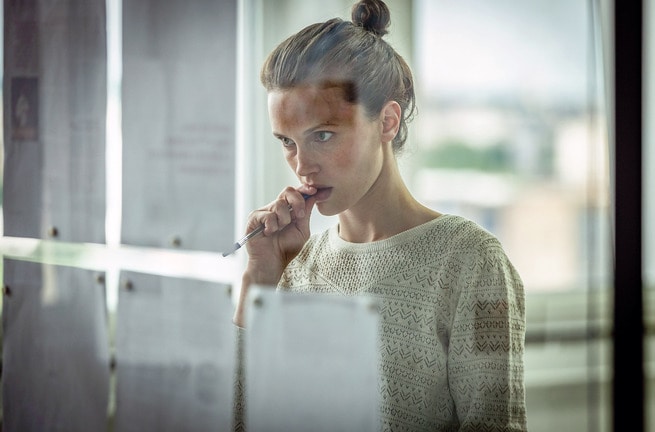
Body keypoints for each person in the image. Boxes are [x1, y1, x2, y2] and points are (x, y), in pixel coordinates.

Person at [233, 0, 528, 430]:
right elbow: (245, 422)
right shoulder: (296, 268)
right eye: (287, 141)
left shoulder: (468, 261)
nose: (302, 165)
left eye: (323, 135)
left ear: (387, 122)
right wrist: (257, 281)